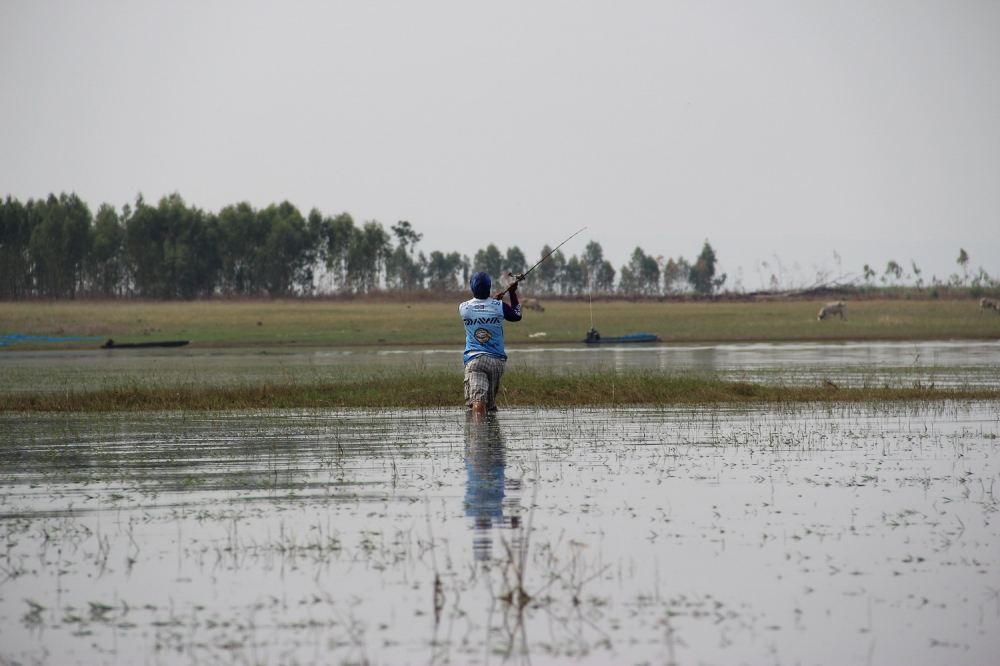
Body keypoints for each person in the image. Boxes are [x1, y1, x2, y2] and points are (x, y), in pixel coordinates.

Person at [459, 271, 521, 414]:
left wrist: (493, 300)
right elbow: (516, 315)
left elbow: (481, 307)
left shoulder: (464, 308)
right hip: (497, 362)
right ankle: (490, 433)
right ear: (489, 287)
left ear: (472, 288)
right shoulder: (499, 306)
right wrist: (512, 293)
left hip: (475, 360)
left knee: (478, 401)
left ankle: (479, 433)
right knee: (490, 406)